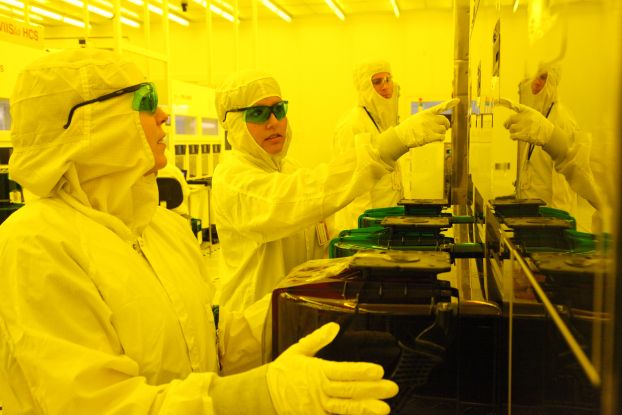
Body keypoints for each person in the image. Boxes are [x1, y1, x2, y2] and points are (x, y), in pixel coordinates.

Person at [0, 48, 400, 414]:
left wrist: (304, 313)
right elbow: (96, 405)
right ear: (90, 122)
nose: (164, 116)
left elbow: (208, 344)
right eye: (146, 102)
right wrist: (254, 396)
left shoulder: (158, 227)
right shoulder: (37, 244)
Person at [211, 68, 458, 313]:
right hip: (254, 327)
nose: (273, 122)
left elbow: (317, 239)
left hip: (294, 314)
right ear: (234, 124)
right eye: (258, 113)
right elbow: (295, 197)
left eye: (278, 110)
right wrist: (389, 145)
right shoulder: (232, 178)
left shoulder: (289, 168)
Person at [498, 64, 602, 218]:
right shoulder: (541, 115)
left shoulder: (562, 119)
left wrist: (559, 221)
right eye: (536, 76)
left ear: (553, 81)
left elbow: (563, 185)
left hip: (550, 218)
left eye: (543, 77)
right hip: (535, 216)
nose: (536, 82)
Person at [331, 59, 403, 232]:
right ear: (364, 87)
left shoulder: (384, 121)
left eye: (388, 79)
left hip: (387, 222)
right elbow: (356, 191)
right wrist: (366, 234)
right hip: (367, 229)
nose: (385, 87)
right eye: (377, 82)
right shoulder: (351, 126)